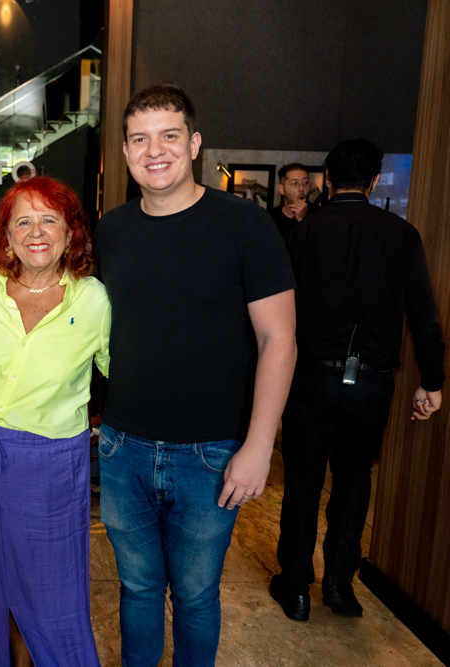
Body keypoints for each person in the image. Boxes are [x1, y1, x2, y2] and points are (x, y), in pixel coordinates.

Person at [94, 83, 297, 667]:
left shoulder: (245, 226)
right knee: (135, 591)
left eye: (169, 136)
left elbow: (279, 339)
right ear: (127, 151)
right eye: (140, 139)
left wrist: (260, 446)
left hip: (211, 454)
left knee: (196, 596)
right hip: (123, 446)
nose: (154, 150)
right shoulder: (112, 229)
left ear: (194, 143)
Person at [272, 138, 445, 621]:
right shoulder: (401, 234)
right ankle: (339, 586)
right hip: (370, 383)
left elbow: (276, 313)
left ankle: (296, 587)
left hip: (309, 377)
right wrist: (432, 381)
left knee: (303, 481)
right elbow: (424, 318)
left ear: (327, 181)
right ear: (372, 182)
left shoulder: (302, 236)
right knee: (354, 481)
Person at [0, 176, 110, 666]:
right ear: (5, 236)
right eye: (23, 220)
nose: (36, 230)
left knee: (51, 595)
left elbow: (126, 373)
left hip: (50, 465)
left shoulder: (92, 300)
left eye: (50, 219)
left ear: (71, 233)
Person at [269, 163, 319, 237]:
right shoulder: (270, 218)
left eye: (305, 182)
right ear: (282, 189)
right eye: (294, 183)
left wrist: (302, 220)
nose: (301, 188)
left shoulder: (319, 215)